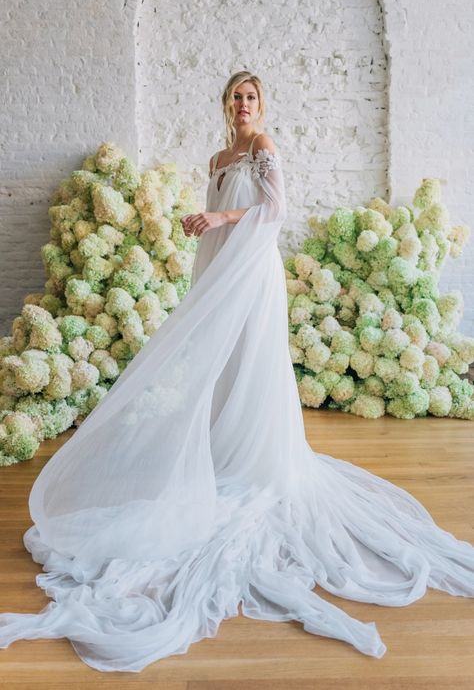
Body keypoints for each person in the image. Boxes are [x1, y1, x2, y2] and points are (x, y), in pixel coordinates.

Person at [0, 70, 473, 674]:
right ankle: (222, 453)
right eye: (235, 99)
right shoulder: (219, 155)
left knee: (252, 362)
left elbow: (274, 212)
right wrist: (209, 245)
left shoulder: (263, 149)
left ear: (261, 105)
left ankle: (254, 457)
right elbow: (215, 222)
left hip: (254, 275)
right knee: (221, 370)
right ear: (225, 106)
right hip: (222, 272)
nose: (243, 106)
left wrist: (220, 221)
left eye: (250, 98)